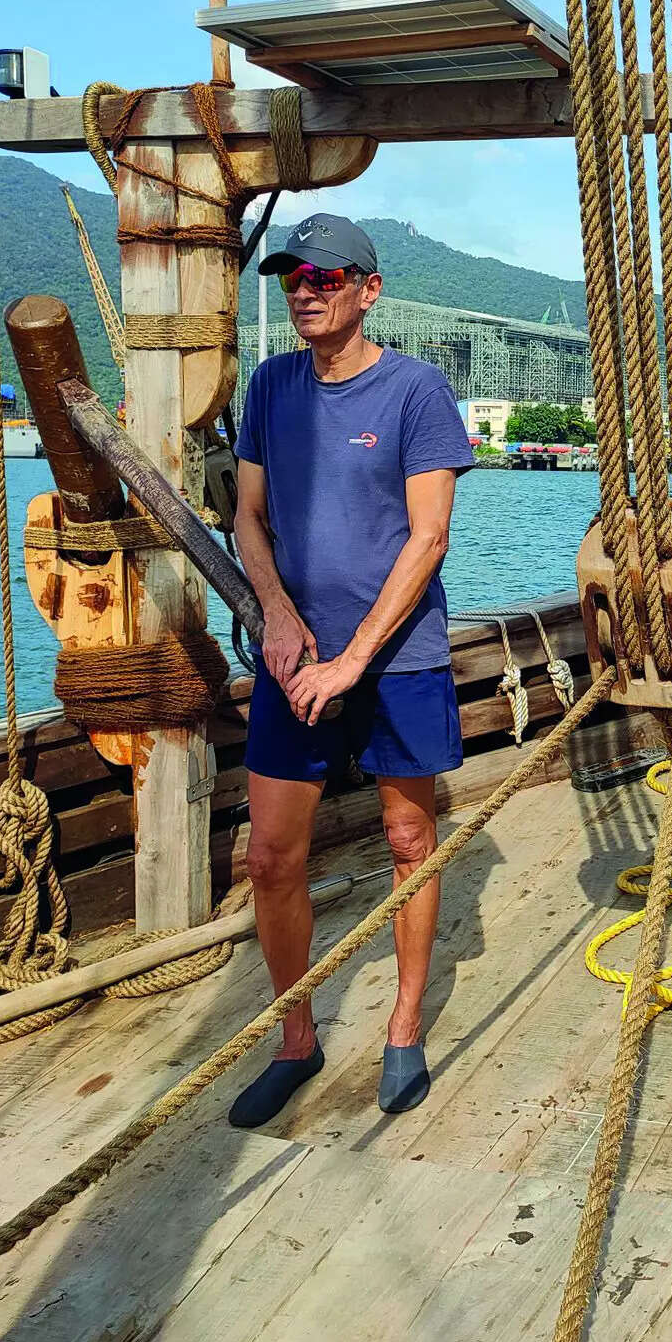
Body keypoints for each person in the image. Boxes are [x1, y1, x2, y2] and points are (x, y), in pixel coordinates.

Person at [226, 212, 476, 1128]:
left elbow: (429, 538)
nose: (306, 289)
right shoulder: (271, 386)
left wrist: (353, 661)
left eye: (327, 278)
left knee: (409, 842)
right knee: (269, 855)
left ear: (369, 291)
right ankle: (297, 1039)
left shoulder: (417, 393)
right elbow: (249, 518)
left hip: (397, 659)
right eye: (295, 276)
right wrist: (282, 618)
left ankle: (404, 1027)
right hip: (294, 657)